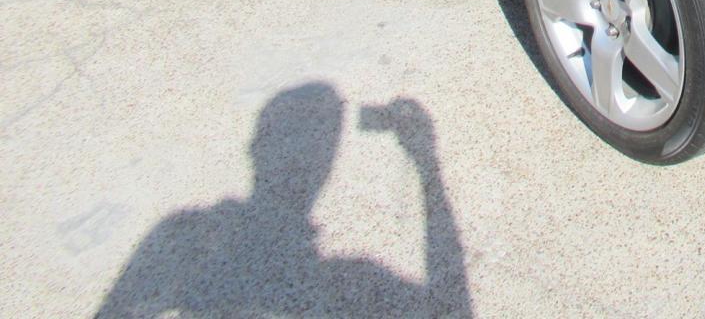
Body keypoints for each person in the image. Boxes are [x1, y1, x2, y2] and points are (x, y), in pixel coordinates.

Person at [96, 84, 472, 318]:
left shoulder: (183, 234)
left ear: (253, 147)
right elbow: (452, 305)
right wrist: (426, 162)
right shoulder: (354, 275)